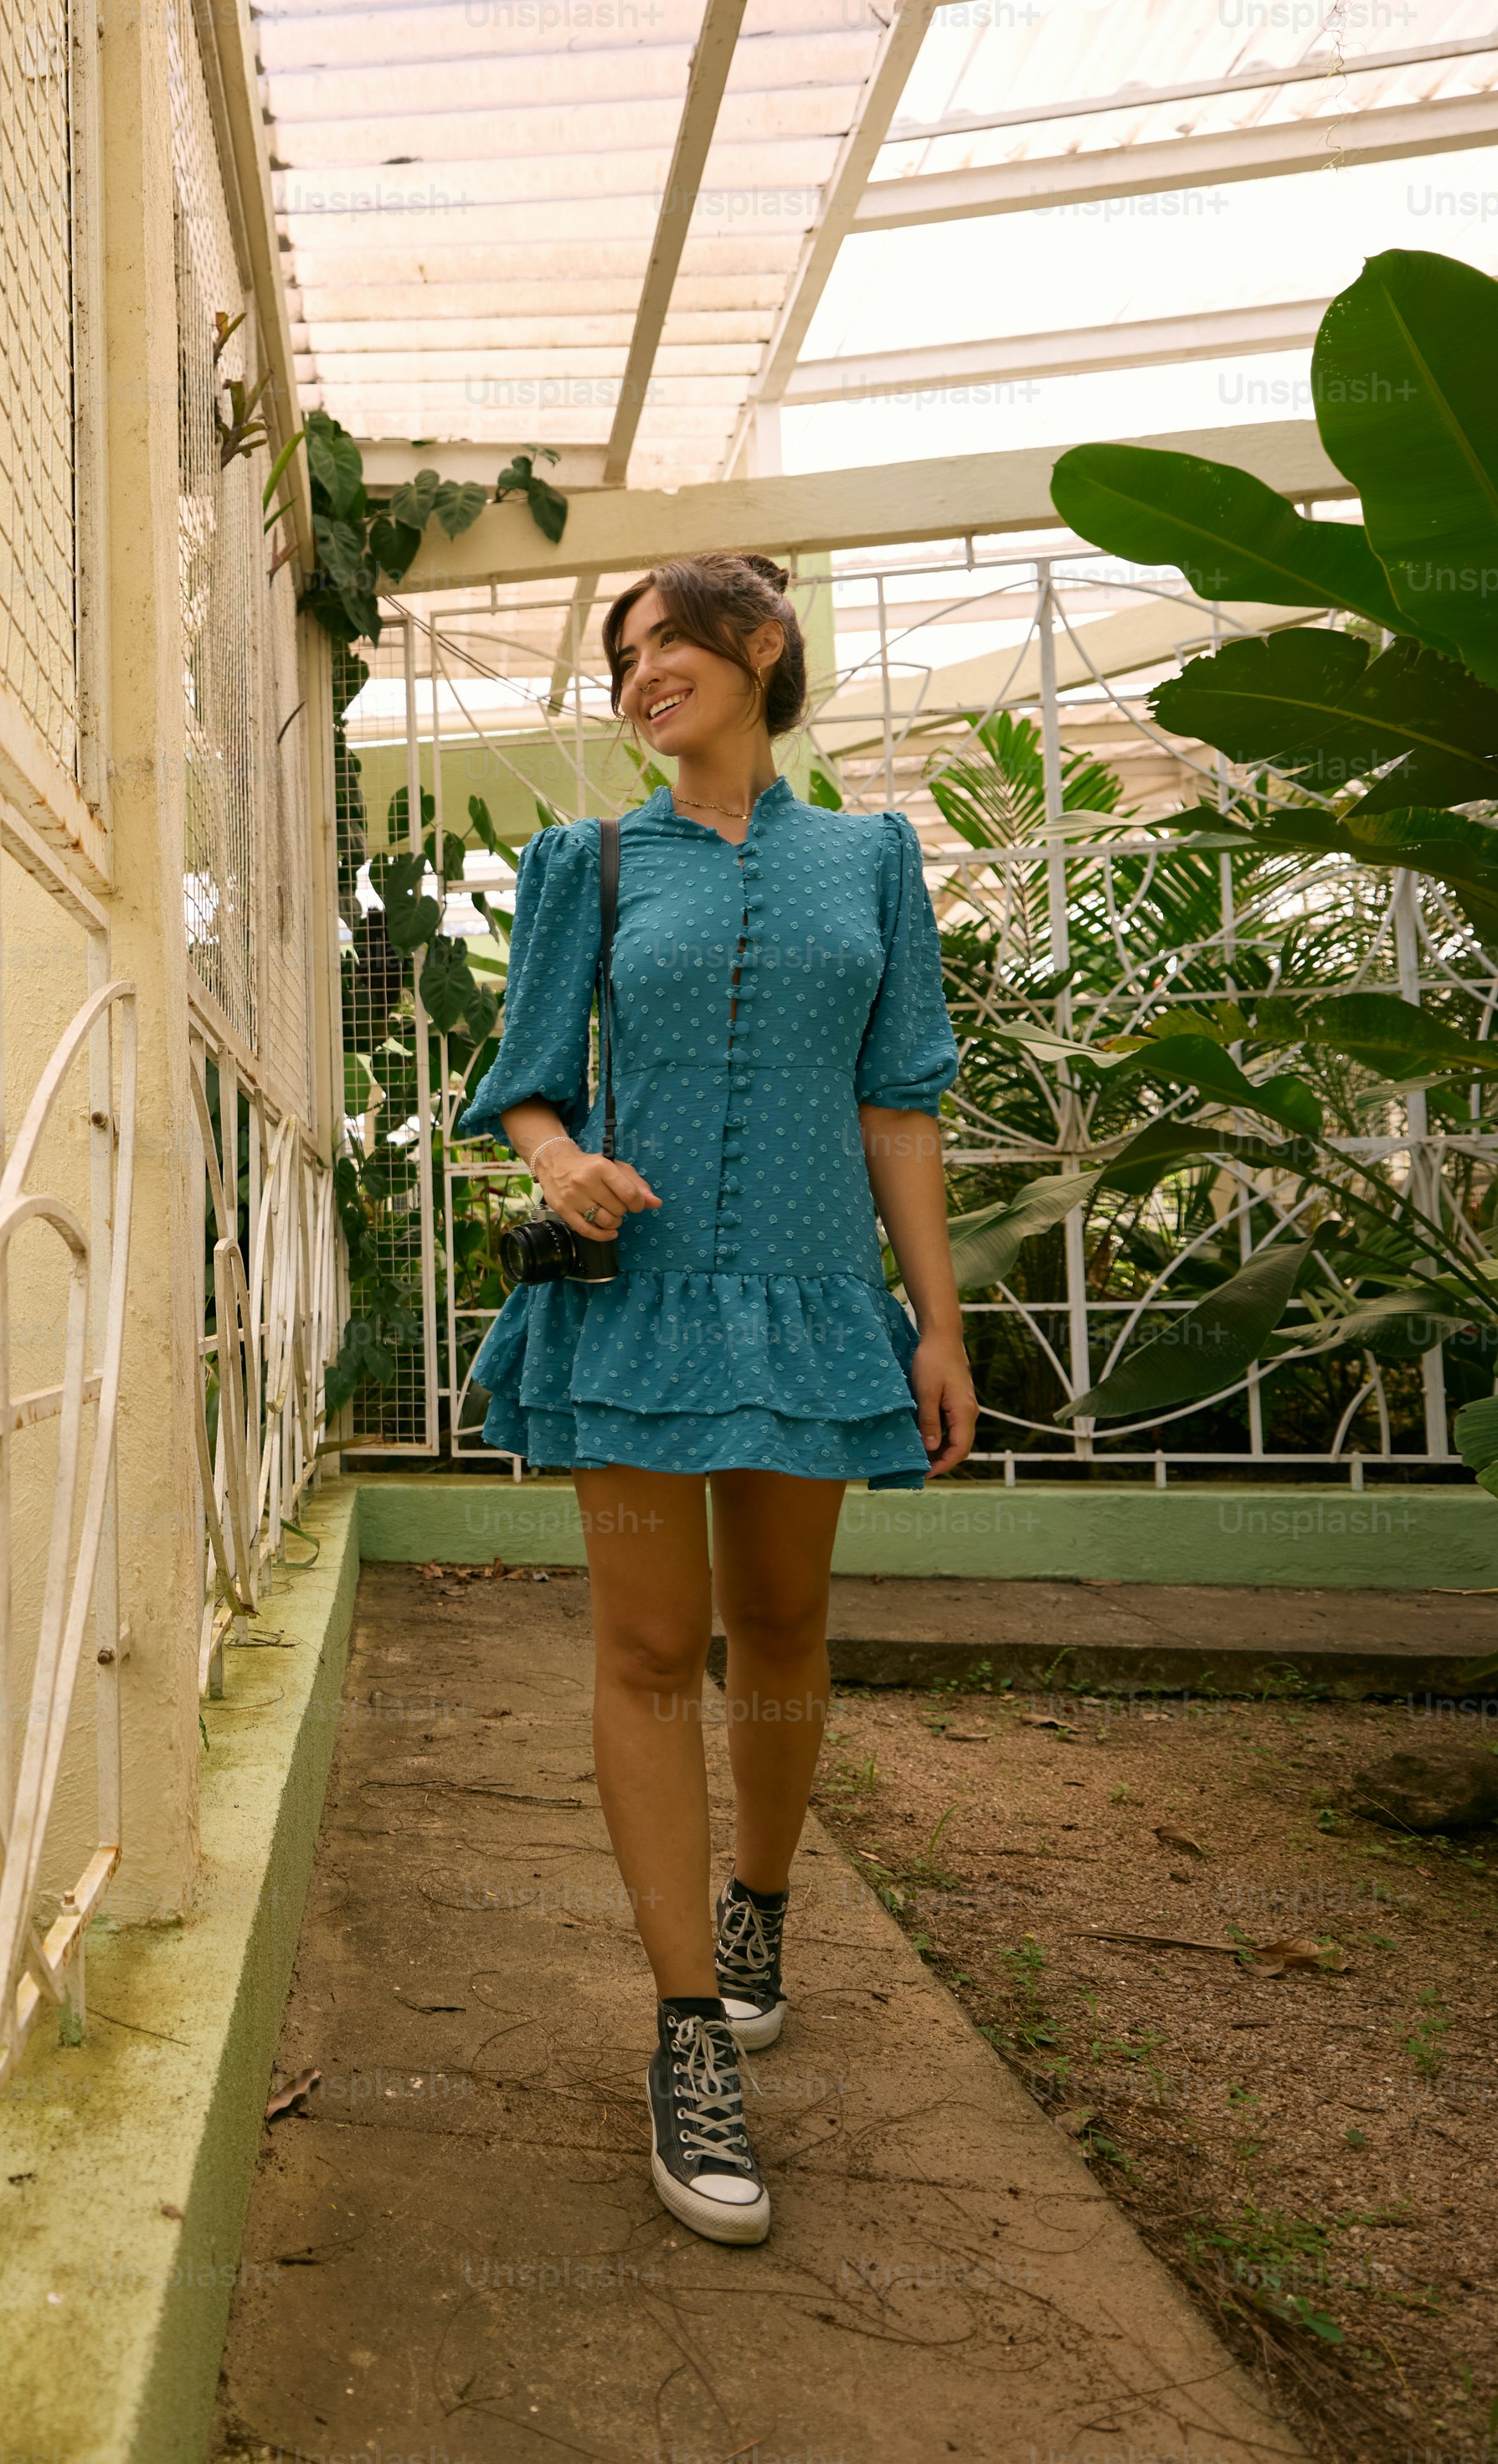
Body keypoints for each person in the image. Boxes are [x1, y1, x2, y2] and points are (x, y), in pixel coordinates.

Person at [452, 550, 974, 2248]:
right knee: (647, 1647)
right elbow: (527, 1086)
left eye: (666, 638)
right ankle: (688, 2033)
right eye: (621, 658)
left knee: (786, 1620)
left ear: (761, 647)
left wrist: (939, 1326)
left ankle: (759, 1904)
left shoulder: (873, 859)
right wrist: (567, 1160)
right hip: (640, 1309)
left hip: (821, 1307)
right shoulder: (584, 864)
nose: (639, 672)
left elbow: (900, 1104)